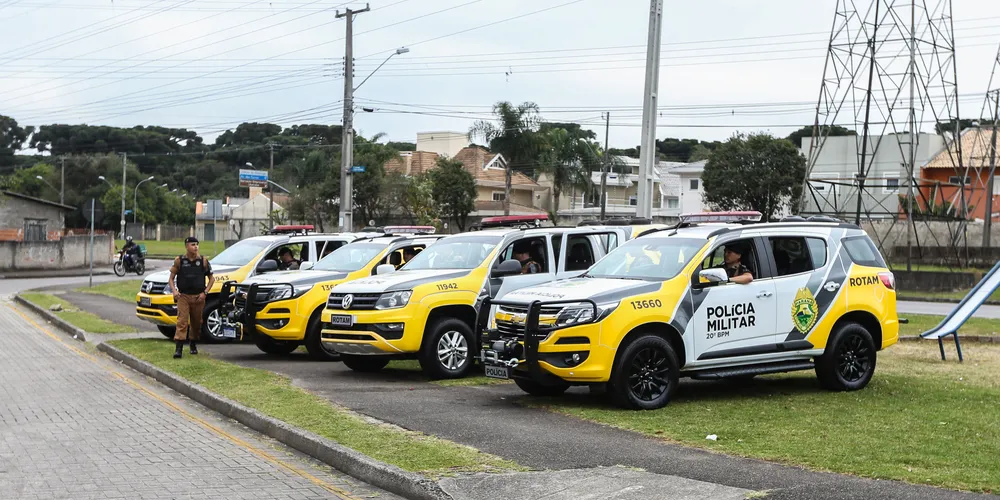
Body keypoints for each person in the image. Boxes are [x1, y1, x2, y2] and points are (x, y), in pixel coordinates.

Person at [169, 237, 214, 359]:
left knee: (196, 322)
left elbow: (211, 279)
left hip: (198, 297)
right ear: (186, 246)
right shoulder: (179, 260)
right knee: (182, 321)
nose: (196, 247)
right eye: (193, 244)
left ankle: (193, 343)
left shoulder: (203, 261)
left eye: (197, 244)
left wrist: (205, 292)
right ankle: (179, 348)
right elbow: (171, 279)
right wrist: (174, 291)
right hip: (183, 296)